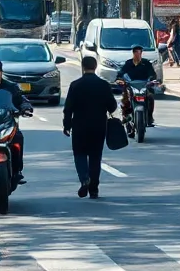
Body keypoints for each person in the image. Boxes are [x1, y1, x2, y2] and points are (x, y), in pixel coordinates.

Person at [64, 56, 117, 199]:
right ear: (95, 67)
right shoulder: (103, 85)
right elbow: (112, 106)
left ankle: (84, 178)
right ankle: (94, 189)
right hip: (98, 125)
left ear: (83, 67)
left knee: (79, 154)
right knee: (95, 156)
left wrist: (67, 125)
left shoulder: (75, 85)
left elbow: (68, 108)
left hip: (79, 125)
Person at [116, 45, 158, 127]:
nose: (138, 54)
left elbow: (152, 74)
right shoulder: (128, 63)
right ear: (133, 53)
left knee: (150, 97)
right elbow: (121, 73)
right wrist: (120, 79)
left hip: (144, 86)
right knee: (125, 98)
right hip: (130, 85)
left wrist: (152, 80)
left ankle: (149, 117)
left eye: (139, 52)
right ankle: (125, 115)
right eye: (136, 52)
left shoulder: (146, 63)